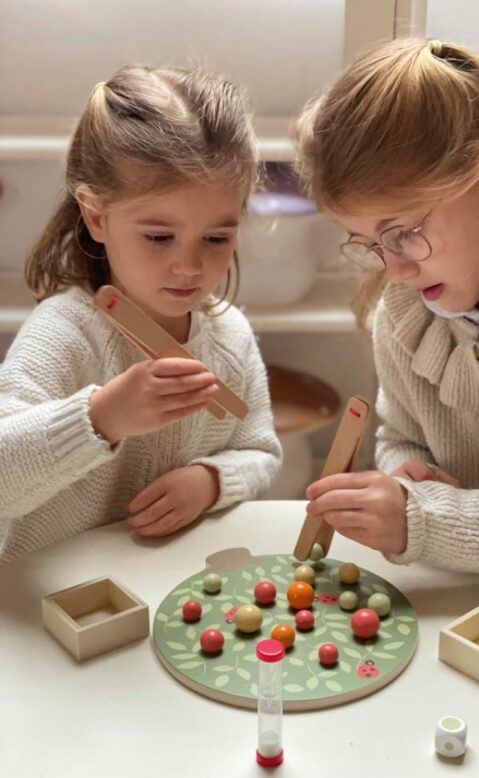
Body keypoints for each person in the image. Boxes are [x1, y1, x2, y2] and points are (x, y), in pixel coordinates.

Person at [295, 38, 479, 575]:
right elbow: (401, 437)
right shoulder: (405, 316)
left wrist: (427, 522)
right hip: (464, 605)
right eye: (367, 242)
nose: (394, 270)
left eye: (405, 232)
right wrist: (405, 477)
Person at [0, 65, 281, 564]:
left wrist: (211, 482)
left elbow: (261, 452)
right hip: (46, 601)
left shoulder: (229, 336)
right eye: (158, 236)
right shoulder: (65, 335)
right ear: (96, 216)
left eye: (217, 238)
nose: (189, 266)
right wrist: (101, 418)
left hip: (164, 585)